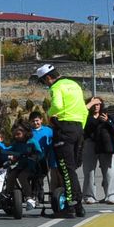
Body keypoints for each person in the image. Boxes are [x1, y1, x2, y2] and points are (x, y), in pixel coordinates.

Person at [31, 64, 87, 217]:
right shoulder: (74, 84)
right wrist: (80, 128)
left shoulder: (56, 87)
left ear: (48, 78)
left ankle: (70, 206)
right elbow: (83, 109)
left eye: (44, 82)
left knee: (65, 169)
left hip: (64, 128)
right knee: (71, 169)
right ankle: (78, 206)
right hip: (78, 128)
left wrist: (49, 114)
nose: (45, 85)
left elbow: (57, 105)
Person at [80, 96, 114, 204]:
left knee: (109, 171)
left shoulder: (107, 115)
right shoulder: (84, 116)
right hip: (89, 143)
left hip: (105, 145)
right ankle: (89, 196)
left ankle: (112, 195)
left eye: (97, 104)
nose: (96, 106)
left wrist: (107, 121)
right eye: (93, 104)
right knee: (89, 171)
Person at [3, 121, 43, 206]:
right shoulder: (16, 143)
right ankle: (8, 195)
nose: (16, 136)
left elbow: (40, 153)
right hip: (21, 166)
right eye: (14, 134)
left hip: (32, 167)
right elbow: (8, 149)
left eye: (18, 134)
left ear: (25, 132)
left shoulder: (32, 142)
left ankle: (29, 197)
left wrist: (35, 156)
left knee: (22, 176)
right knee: (11, 175)